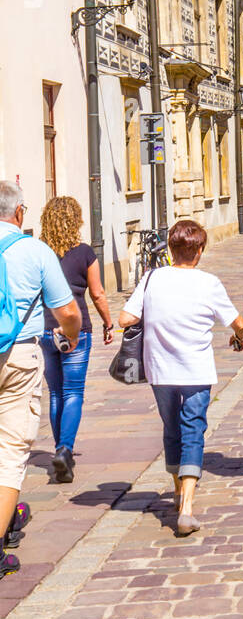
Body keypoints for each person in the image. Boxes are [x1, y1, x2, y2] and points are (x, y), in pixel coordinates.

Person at [120, 219, 243, 537]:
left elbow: (125, 318)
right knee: (193, 431)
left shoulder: (152, 278)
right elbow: (237, 323)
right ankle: (187, 508)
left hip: (160, 371)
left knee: (172, 429)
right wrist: (239, 338)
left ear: (171, 250)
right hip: (195, 370)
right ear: (200, 250)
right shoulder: (209, 283)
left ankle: (178, 492)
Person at [0, 181, 81, 580]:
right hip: (17, 354)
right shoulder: (34, 250)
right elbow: (67, 310)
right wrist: (71, 335)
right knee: (11, 451)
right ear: (19, 212)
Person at [40, 196, 114, 484]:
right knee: (73, 392)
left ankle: (62, 454)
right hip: (76, 329)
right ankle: (64, 449)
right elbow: (97, 294)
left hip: (45, 330)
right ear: (77, 221)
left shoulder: (40, 251)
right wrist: (108, 322)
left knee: (56, 393)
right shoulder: (85, 253)